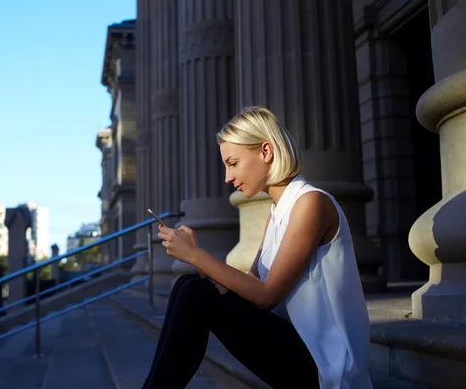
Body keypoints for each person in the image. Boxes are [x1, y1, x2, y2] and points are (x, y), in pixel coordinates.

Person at [143, 107, 372, 389]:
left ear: (266, 152)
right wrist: (196, 256)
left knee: (195, 291)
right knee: (188, 284)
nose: (227, 177)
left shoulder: (311, 203)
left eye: (233, 163)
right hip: (297, 348)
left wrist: (196, 256)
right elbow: (251, 285)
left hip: (326, 367)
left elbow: (267, 296)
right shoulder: (277, 213)